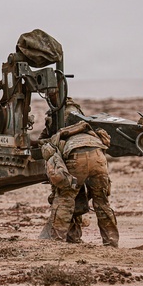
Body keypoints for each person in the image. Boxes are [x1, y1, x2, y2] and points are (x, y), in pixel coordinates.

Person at [42, 117, 119, 247]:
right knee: (102, 202)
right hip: (98, 157)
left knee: (65, 200)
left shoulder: (56, 140)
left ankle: (57, 240)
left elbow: (57, 173)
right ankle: (111, 242)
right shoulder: (89, 132)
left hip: (76, 158)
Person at [40, 97, 89, 243]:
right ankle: (71, 237)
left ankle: (68, 237)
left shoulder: (69, 112)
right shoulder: (54, 113)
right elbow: (46, 135)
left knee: (67, 197)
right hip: (64, 158)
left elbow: (74, 137)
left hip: (71, 158)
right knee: (68, 196)